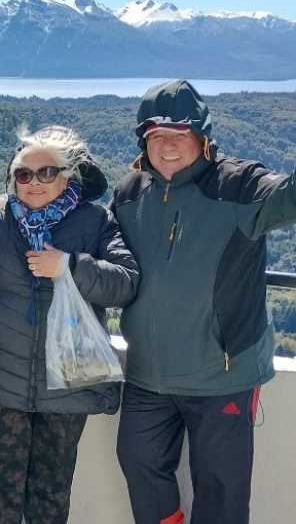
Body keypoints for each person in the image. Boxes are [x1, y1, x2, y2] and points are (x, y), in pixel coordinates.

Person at [0, 125, 140, 524]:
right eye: (24, 174)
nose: (34, 182)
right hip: (1, 377)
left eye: (47, 172)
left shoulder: (94, 220)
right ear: (12, 178)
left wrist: (70, 266)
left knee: (51, 493)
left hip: (67, 381)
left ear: (69, 174)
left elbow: (125, 283)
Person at [111, 79, 296, 524]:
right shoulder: (130, 192)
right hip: (147, 374)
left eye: (181, 134)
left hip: (222, 377)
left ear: (203, 137)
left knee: (222, 490)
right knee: (138, 462)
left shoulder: (240, 187)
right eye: (157, 136)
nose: (169, 146)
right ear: (143, 140)